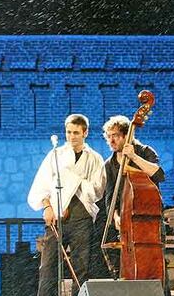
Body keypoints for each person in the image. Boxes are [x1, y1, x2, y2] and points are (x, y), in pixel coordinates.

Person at [28, 114, 106, 296]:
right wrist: (47, 207)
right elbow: (42, 184)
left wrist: (73, 179)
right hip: (57, 217)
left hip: (82, 218)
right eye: (69, 132)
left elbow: (98, 190)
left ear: (85, 133)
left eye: (76, 133)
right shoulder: (55, 155)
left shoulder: (94, 158)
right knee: (48, 267)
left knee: (81, 268)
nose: (72, 137)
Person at [102, 115, 169, 294]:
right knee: (128, 269)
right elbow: (110, 197)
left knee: (155, 269)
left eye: (115, 135)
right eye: (108, 136)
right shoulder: (109, 164)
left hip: (150, 223)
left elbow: (159, 175)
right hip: (126, 225)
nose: (111, 140)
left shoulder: (145, 151)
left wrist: (133, 157)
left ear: (127, 136)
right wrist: (115, 216)